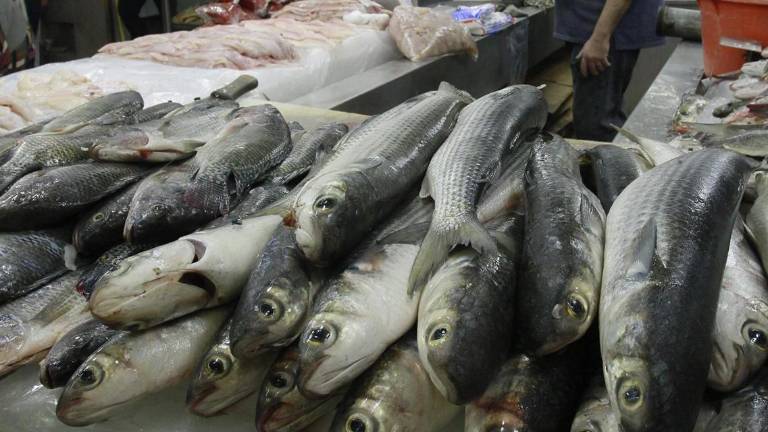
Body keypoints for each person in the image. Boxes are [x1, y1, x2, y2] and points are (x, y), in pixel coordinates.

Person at [555, 0, 665, 141]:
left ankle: (611, 161)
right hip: (594, 29)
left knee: (596, 127)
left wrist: (599, 39)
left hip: (603, 33)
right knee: (603, 116)